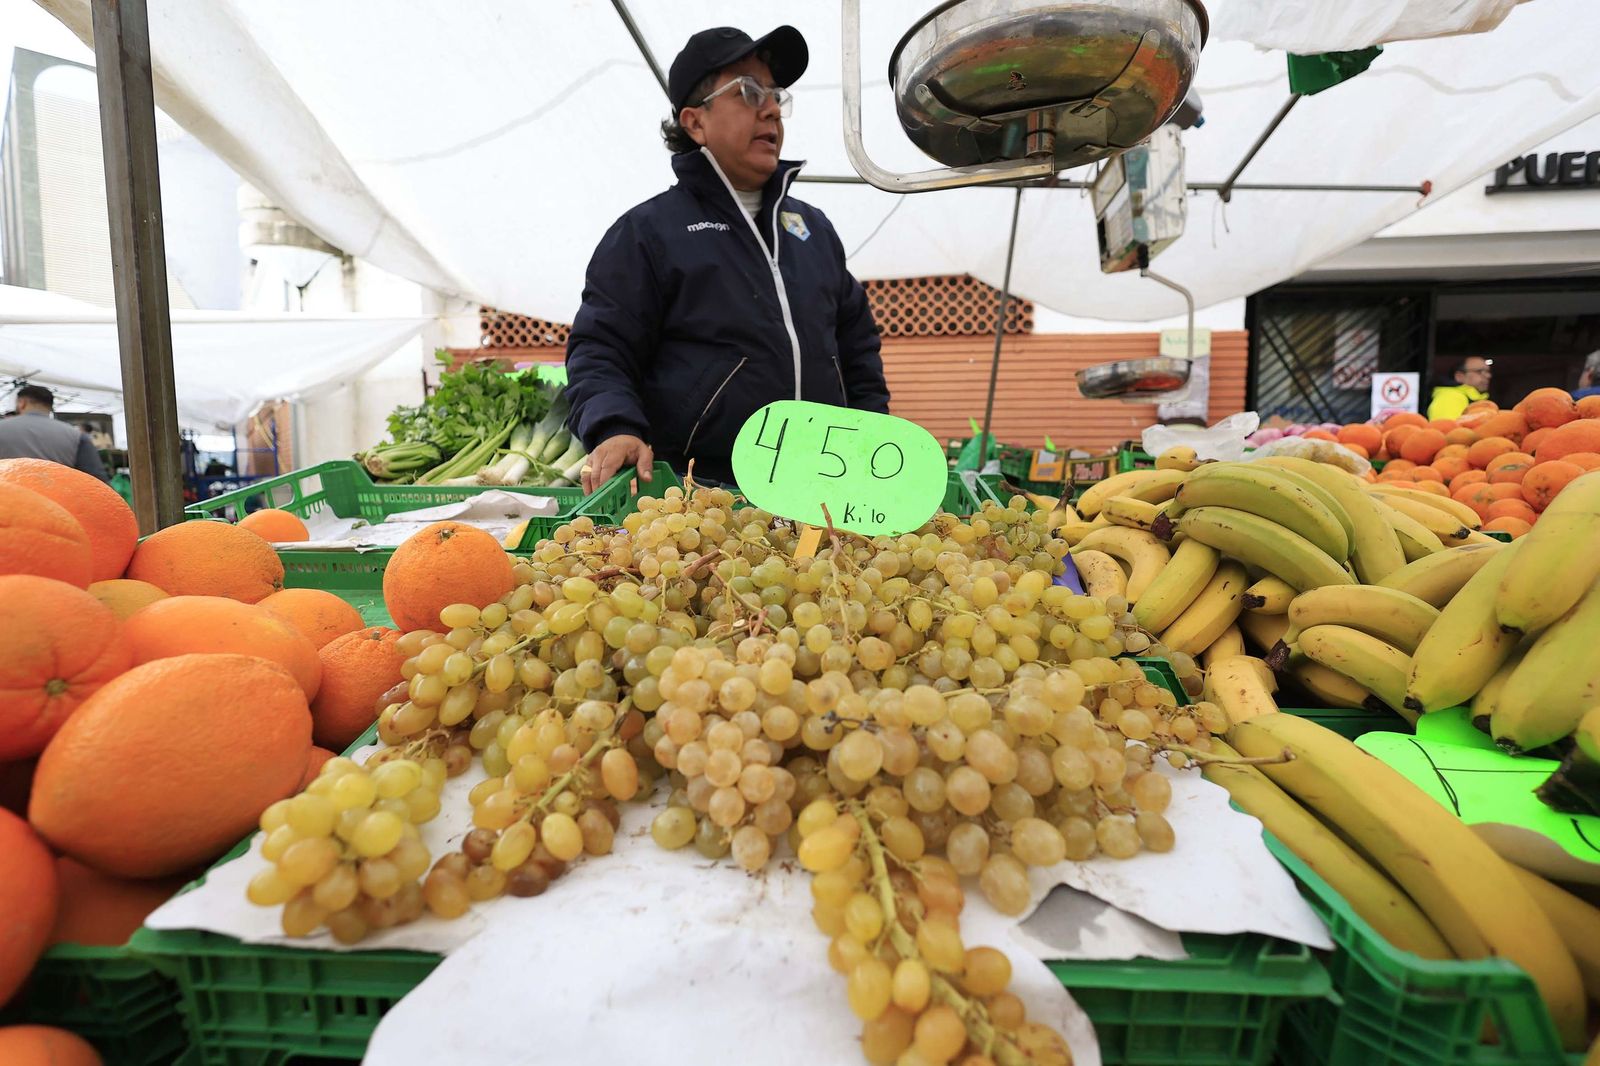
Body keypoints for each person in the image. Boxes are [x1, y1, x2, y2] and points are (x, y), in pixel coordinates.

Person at [565, 25, 890, 492]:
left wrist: (874, 438)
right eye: (749, 91)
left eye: (776, 95)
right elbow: (600, 350)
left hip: (827, 493)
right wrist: (615, 426)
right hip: (700, 498)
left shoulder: (814, 230)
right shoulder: (647, 233)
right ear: (695, 122)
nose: (773, 108)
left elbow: (858, 349)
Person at [0, 384, 107, 479]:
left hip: (7, 498)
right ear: (50, 406)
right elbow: (97, 479)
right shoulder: (77, 436)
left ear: (21, 403)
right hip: (58, 499)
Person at [1426, 356, 1492, 421]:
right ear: (1459, 376)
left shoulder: (1473, 398)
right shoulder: (1450, 397)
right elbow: (1447, 429)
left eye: (1488, 371)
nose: (1488, 376)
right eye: (1479, 371)